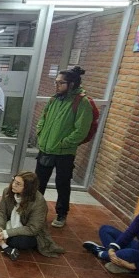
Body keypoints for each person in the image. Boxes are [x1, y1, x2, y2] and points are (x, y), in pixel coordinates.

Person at [35, 66, 94, 228]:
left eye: (61, 83)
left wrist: (64, 143)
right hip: (46, 148)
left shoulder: (82, 102)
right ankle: (35, 211)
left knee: (62, 184)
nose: (57, 85)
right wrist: (40, 133)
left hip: (64, 152)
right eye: (56, 82)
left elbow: (81, 130)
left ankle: (61, 214)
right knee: (38, 182)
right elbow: (43, 118)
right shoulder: (54, 99)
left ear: (72, 84)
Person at [0, 172, 64, 261]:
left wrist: (6, 234)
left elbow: (32, 229)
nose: (13, 185)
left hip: (26, 231)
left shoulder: (39, 202)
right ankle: (5, 246)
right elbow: (1, 212)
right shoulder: (7, 191)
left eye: (18, 184)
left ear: (28, 187)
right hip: (8, 224)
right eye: (14, 181)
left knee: (22, 243)